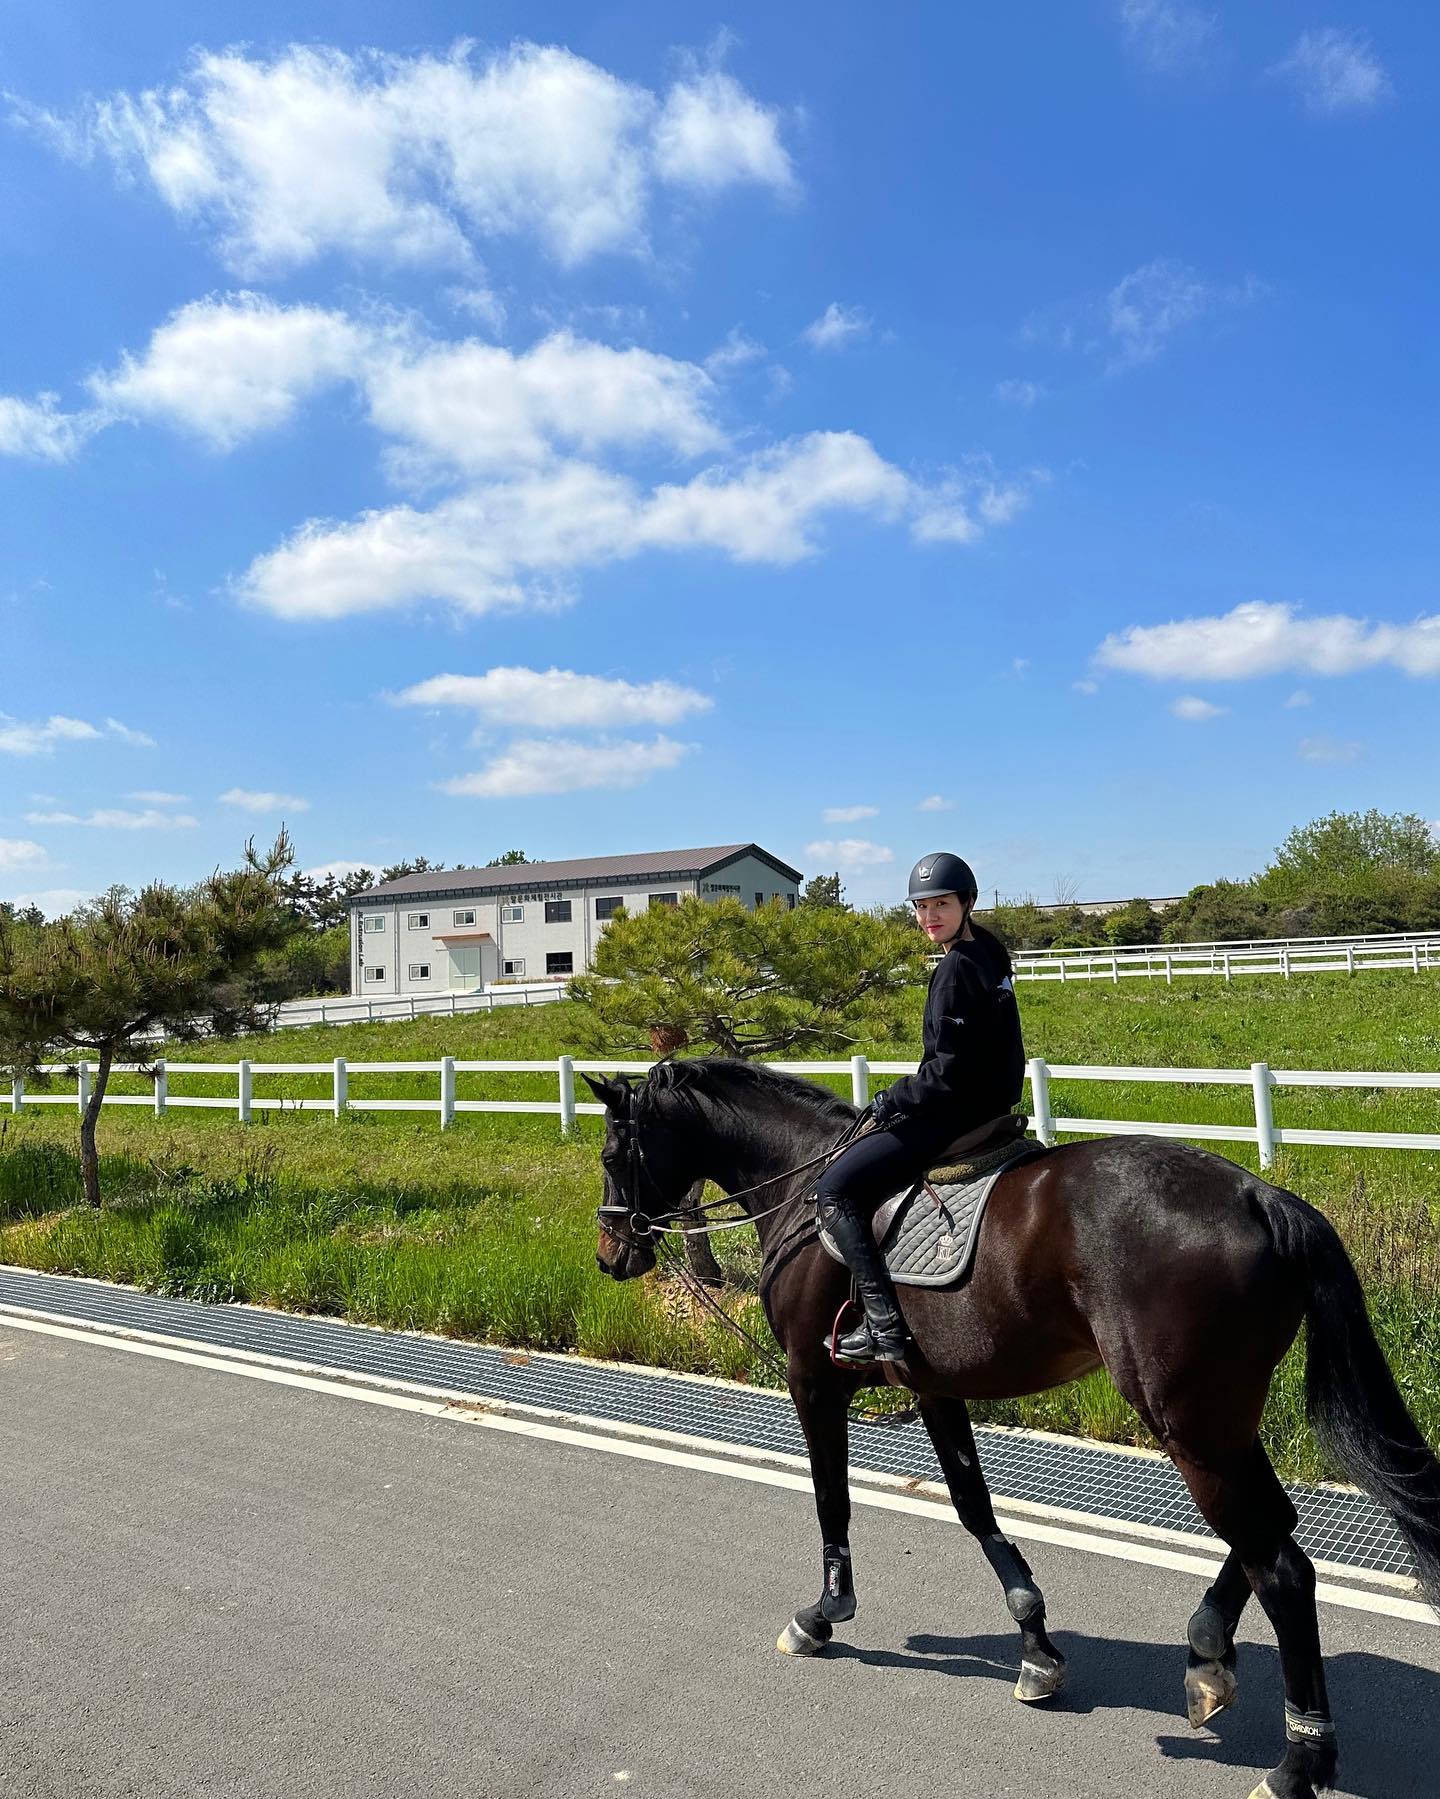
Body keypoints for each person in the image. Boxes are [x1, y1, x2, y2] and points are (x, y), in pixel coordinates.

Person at [814, 852, 1026, 1364]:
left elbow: (946, 1073)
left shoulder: (954, 970)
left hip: (955, 1114)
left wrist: (893, 1098)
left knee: (835, 1189)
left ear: (967, 903)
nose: (930, 916)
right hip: (992, 1108)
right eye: (922, 906)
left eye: (941, 905)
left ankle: (884, 1326)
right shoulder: (991, 955)